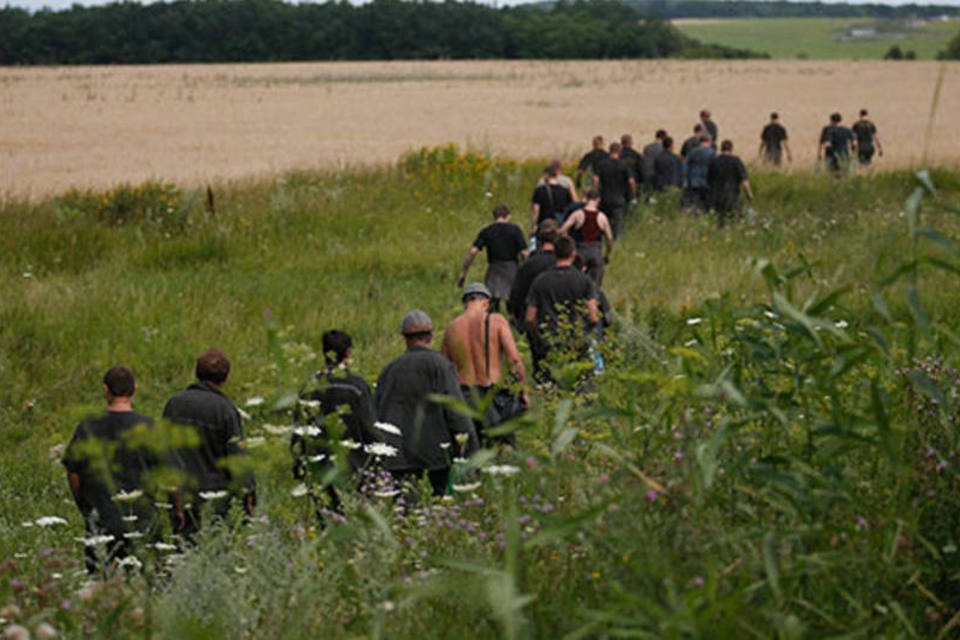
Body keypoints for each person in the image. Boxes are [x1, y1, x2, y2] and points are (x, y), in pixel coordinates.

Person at [63, 366, 170, 573]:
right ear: (135, 389)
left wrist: (85, 505)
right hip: (143, 523)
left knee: (101, 591)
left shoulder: (88, 427)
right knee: (146, 587)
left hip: (102, 522)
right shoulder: (149, 428)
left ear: (105, 390)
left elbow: (73, 472)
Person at [375, 311, 479, 496]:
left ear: (405, 339)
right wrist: (470, 448)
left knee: (405, 504)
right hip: (437, 449)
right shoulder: (441, 365)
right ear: (430, 336)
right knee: (444, 499)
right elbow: (456, 409)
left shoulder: (389, 370)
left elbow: (378, 411)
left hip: (400, 450)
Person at [163, 348, 255, 532]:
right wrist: (249, 499)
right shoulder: (226, 410)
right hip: (216, 500)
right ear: (225, 377)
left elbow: (165, 452)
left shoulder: (174, 404)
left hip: (182, 496)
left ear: (197, 373)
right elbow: (238, 459)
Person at [292, 330, 379, 518]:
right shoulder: (357, 387)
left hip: (319, 469)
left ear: (324, 353)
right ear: (348, 353)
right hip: (353, 468)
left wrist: (298, 464)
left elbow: (299, 431)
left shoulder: (310, 386)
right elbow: (369, 428)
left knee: (325, 525)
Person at [441, 283, 527, 446]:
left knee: (471, 449)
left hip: (464, 395)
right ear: (486, 302)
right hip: (491, 395)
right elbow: (514, 360)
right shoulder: (496, 321)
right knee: (500, 446)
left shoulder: (451, 328)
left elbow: (444, 367)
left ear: (465, 303)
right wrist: (523, 391)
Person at [525, 235, 600, 384]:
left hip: (549, 341)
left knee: (550, 385)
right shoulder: (584, 281)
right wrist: (586, 332)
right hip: (576, 342)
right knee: (578, 386)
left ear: (554, 254)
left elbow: (530, 318)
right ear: (573, 254)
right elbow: (593, 316)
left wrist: (537, 338)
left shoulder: (540, 280)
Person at [457, 204, 527, 312]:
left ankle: (492, 324)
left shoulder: (487, 231)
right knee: (514, 301)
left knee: (492, 303)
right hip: (512, 268)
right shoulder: (515, 230)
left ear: (493, 216)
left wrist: (463, 273)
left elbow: (472, 252)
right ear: (508, 216)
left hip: (494, 269)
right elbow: (524, 253)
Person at [507, 220, 558, 329]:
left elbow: (517, 292)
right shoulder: (561, 263)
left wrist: (514, 312)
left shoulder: (529, 264)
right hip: (559, 318)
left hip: (533, 318)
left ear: (539, 240)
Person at [560, 189, 614, 286]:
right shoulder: (602, 217)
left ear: (586, 198)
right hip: (596, 251)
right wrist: (607, 254)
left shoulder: (578, 214)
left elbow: (562, 230)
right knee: (595, 286)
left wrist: (569, 242)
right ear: (598, 200)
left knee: (575, 283)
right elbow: (609, 238)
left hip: (580, 251)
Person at [593, 142, 636, 239]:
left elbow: (595, 180)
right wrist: (633, 196)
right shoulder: (624, 165)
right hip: (619, 199)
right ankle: (616, 243)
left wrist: (595, 194)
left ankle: (604, 240)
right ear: (619, 151)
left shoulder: (602, 164)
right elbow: (631, 182)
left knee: (604, 223)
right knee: (618, 225)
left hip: (604, 198)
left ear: (609, 151)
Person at [708, 140, 754, 227]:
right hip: (733, 195)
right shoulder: (736, 161)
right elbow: (744, 181)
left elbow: (709, 180)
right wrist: (749, 194)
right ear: (731, 149)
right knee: (735, 219)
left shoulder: (715, 161)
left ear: (721, 149)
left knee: (720, 220)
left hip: (718, 196)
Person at [530, 164, 574, 232]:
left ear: (546, 175)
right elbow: (569, 208)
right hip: (559, 224)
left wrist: (533, 225)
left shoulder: (539, 190)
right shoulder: (564, 191)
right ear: (556, 175)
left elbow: (536, 211)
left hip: (544, 224)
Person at [683, 135, 716, 213]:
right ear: (708, 141)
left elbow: (686, 166)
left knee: (694, 203)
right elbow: (715, 167)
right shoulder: (712, 153)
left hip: (693, 181)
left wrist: (686, 178)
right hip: (707, 182)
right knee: (706, 203)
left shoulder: (692, 151)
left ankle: (695, 217)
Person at [819, 112, 853, 176]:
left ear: (831, 120)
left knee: (832, 175)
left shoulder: (828, 130)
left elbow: (826, 143)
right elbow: (854, 143)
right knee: (844, 174)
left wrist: (820, 153)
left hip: (831, 156)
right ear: (840, 120)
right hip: (844, 155)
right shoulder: (847, 130)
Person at [641, 130, 667, 196]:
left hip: (646, 174)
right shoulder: (663, 148)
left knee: (647, 195)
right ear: (664, 138)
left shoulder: (647, 147)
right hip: (657, 175)